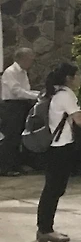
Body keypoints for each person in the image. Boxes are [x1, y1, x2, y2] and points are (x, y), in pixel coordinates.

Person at [34, 62, 81, 242]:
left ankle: (45, 228)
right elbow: (80, 121)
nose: (79, 79)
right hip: (61, 146)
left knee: (52, 188)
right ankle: (45, 230)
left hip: (52, 145)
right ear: (69, 78)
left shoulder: (52, 92)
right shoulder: (66, 94)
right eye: (77, 75)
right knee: (54, 189)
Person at [0, 47, 39, 176]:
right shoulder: (10, 72)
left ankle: (16, 164)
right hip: (12, 106)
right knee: (11, 136)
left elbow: (26, 90)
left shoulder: (23, 72)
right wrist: (36, 95)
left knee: (20, 136)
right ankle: (5, 167)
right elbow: (17, 91)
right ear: (21, 59)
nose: (31, 62)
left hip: (22, 105)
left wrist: (37, 94)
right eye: (29, 59)